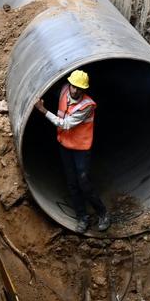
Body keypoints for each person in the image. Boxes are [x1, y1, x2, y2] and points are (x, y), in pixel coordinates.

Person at [34, 69, 110, 232]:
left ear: (84, 89)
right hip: (65, 145)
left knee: (83, 181)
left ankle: (102, 213)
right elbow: (52, 88)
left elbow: (66, 124)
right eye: (72, 86)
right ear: (69, 84)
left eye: (79, 88)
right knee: (72, 182)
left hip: (81, 148)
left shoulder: (87, 106)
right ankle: (82, 217)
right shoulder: (64, 90)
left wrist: (43, 110)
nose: (74, 90)